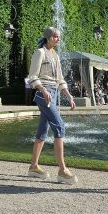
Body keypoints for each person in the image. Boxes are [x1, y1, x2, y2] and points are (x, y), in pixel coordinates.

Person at [26, 27, 77, 184]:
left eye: (59, 37)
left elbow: (60, 80)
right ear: (48, 37)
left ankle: (33, 167)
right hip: (44, 94)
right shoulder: (39, 53)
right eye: (55, 36)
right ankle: (62, 170)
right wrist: (42, 90)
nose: (58, 39)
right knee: (60, 126)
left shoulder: (55, 56)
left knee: (43, 130)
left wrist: (69, 96)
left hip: (53, 94)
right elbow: (32, 77)